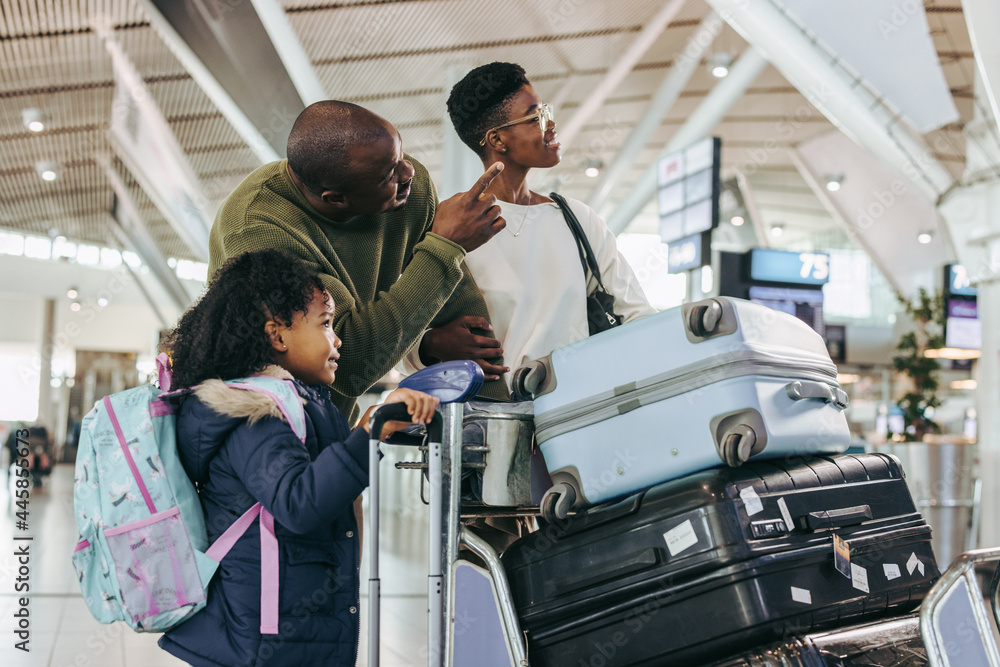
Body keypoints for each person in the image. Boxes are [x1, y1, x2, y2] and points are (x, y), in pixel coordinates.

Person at [157, 249, 439, 666]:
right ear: (277, 335)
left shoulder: (303, 402)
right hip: (267, 639)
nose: (337, 338)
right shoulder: (252, 411)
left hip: (288, 625)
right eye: (325, 324)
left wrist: (377, 430)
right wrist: (368, 431)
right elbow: (299, 502)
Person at [209, 100, 509, 425]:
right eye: (387, 175)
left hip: (332, 426)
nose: (408, 172)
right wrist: (446, 246)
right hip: (262, 424)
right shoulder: (257, 228)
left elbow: (468, 323)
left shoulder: (409, 189)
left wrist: (499, 425)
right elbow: (349, 365)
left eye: (400, 155)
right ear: (336, 199)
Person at [404, 62, 655, 385]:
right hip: (489, 419)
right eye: (536, 117)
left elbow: (636, 314)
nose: (551, 125)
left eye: (546, 112)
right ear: (498, 139)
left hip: (578, 411)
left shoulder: (576, 219)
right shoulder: (450, 225)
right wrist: (430, 344)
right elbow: (397, 333)